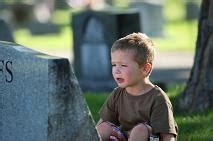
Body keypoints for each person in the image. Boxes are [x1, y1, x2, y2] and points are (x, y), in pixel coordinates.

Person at [96, 33, 178, 141]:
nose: (116, 70)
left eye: (123, 65)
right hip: (124, 137)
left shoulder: (157, 98)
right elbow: (100, 126)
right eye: (114, 65)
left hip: (145, 137)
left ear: (145, 69)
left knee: (140, 130)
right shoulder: (117, 94)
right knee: (103, 127)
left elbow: (168, 137)